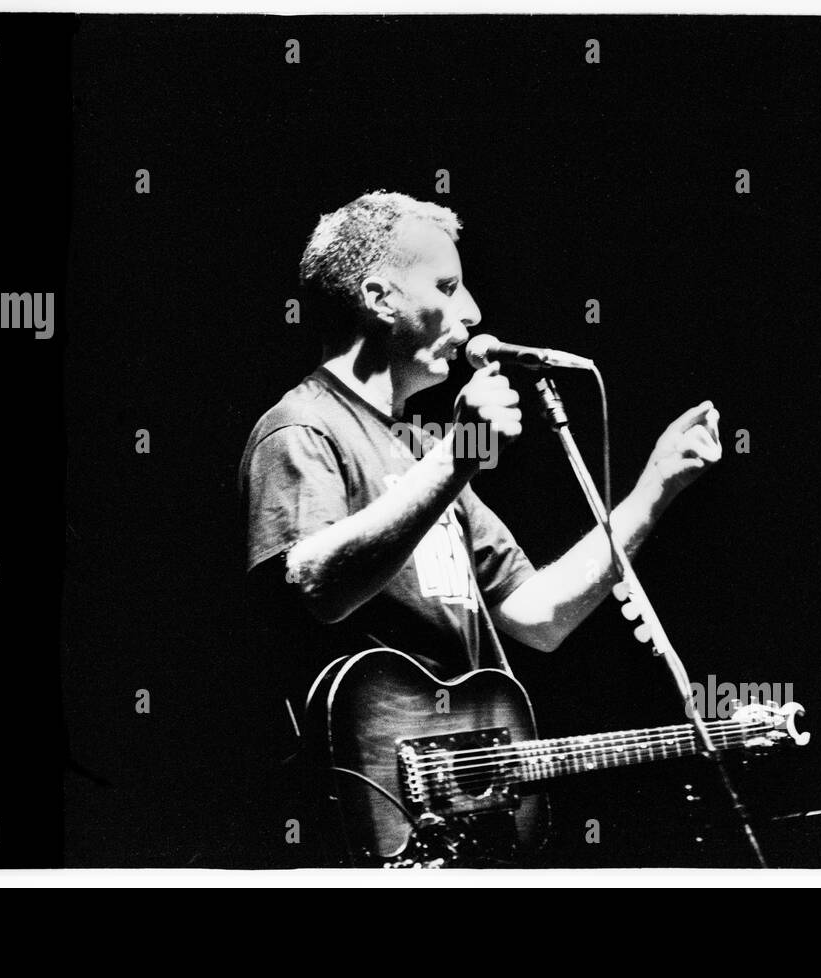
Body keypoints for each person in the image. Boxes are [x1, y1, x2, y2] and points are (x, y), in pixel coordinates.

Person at [236, 191, 721, 863]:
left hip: (460, 823)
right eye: (447, 285)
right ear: (379, 298)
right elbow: (315, 584)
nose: (473, 313)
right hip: (365, 827)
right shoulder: (301, 429)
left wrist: (656, 486)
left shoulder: (415, 456)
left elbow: (540, 615)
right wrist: (461, 453)